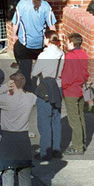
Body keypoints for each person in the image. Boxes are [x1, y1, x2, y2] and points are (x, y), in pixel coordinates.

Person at [0, 73, 38, 186]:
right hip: (23, 138)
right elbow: (32, 96)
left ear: (12, 84)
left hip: (8, 138)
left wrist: (4, 87)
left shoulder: (7, 100)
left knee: (8, 171)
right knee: (24, 171)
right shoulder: (30, 98)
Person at [11, 0, 56, 81]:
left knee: (17, 51)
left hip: (25, 46)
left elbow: (16, 23)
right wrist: (54, 42)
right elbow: (52, 26)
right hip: (41, 45)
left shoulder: (21, 4)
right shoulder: (46, 6)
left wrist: (14, 35)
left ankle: (25, 75)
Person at [32, 30, 65, 161]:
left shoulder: (43, 55)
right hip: (58, 85)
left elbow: (35, 72)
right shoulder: (61, 53)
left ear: (47, 39)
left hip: (45, 87)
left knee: (44, 120)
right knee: (56, 118)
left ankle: (45, 151)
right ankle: (56, 149)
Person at [61, 32, 91, 155]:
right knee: (80, 116)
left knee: (73, 120)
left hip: (70, 91)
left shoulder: (69, 56)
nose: (66, 44)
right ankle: (82, 142)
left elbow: (68, 75)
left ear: (72, 43)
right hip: (80, 89)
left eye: (67, 42)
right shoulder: (83, 54)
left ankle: (77, 146)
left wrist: (62, 85)